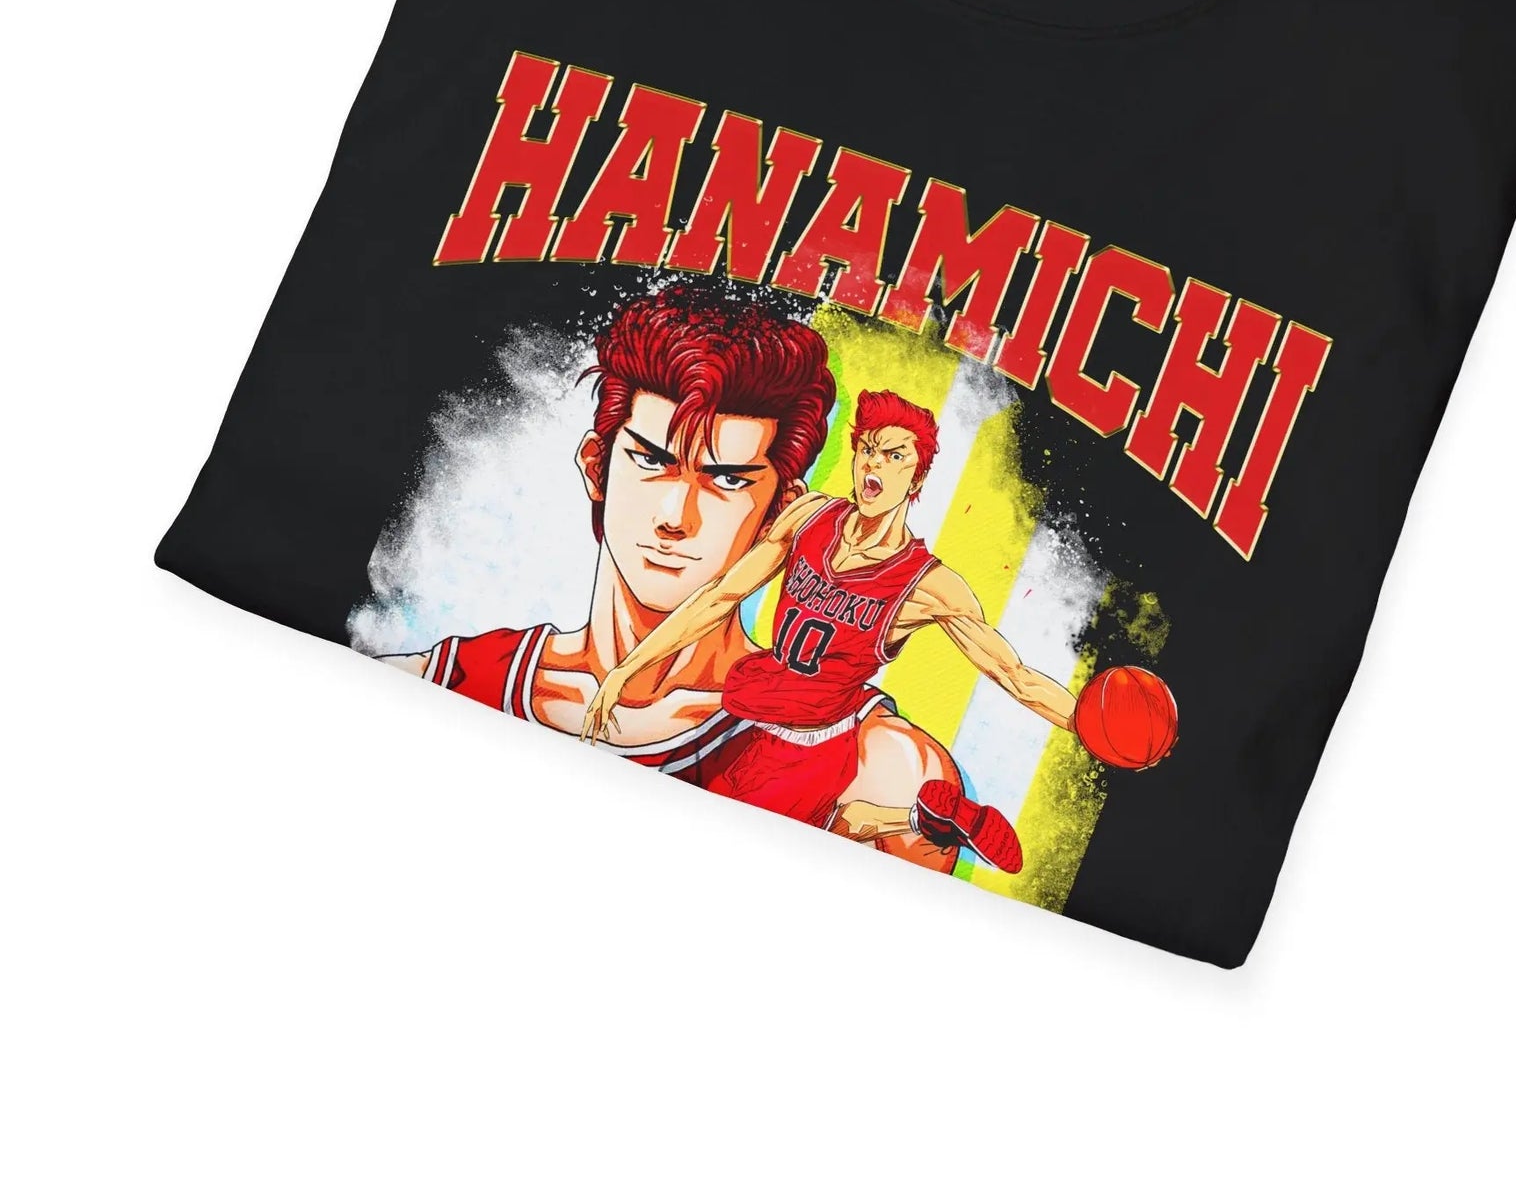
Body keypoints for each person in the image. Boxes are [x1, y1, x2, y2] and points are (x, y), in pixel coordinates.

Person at [383, 289, 964, 870]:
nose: (675, 517)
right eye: (651, 461)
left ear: (781, 512)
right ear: (596, 466)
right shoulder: (451, 680)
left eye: (727, 481)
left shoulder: (874, 765)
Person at [586, 388, 1082, 874]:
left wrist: (1085, 726)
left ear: (917, 477)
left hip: (816, 740)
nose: (874, 464)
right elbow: (720, 596)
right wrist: (627, 669)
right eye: (868, 449)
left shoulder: (929, 586)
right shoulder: (810, 516)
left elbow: (1014, 675)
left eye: (894, 456)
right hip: (757, 712)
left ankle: (915, 818)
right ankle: (916, 818)